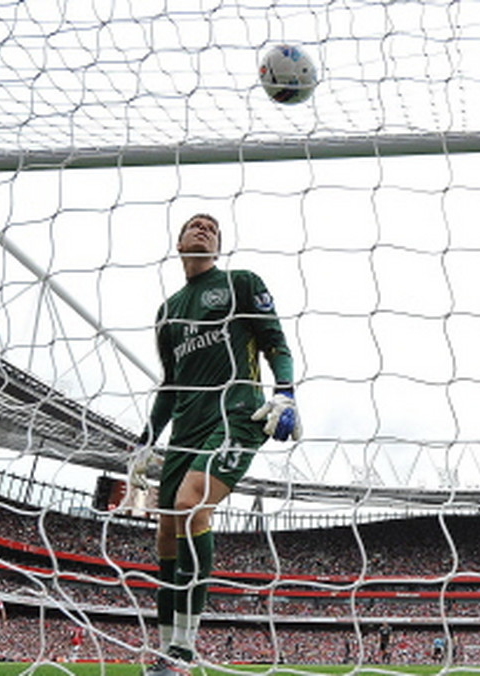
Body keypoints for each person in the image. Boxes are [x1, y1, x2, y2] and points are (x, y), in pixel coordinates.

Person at [130, 213, 301, 676]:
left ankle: (183, 653)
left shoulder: (241, 284)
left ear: (219, 246)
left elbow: (276, 343)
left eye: (212, 227)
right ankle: (165, 655)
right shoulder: (167, 312)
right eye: (194, 224)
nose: (203, 228)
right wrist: (146, 439)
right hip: (186, 428)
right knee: (166, 532)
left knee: (191, 503)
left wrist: (285, 392)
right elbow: (170, 385)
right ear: (179, 241)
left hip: (237, 415)